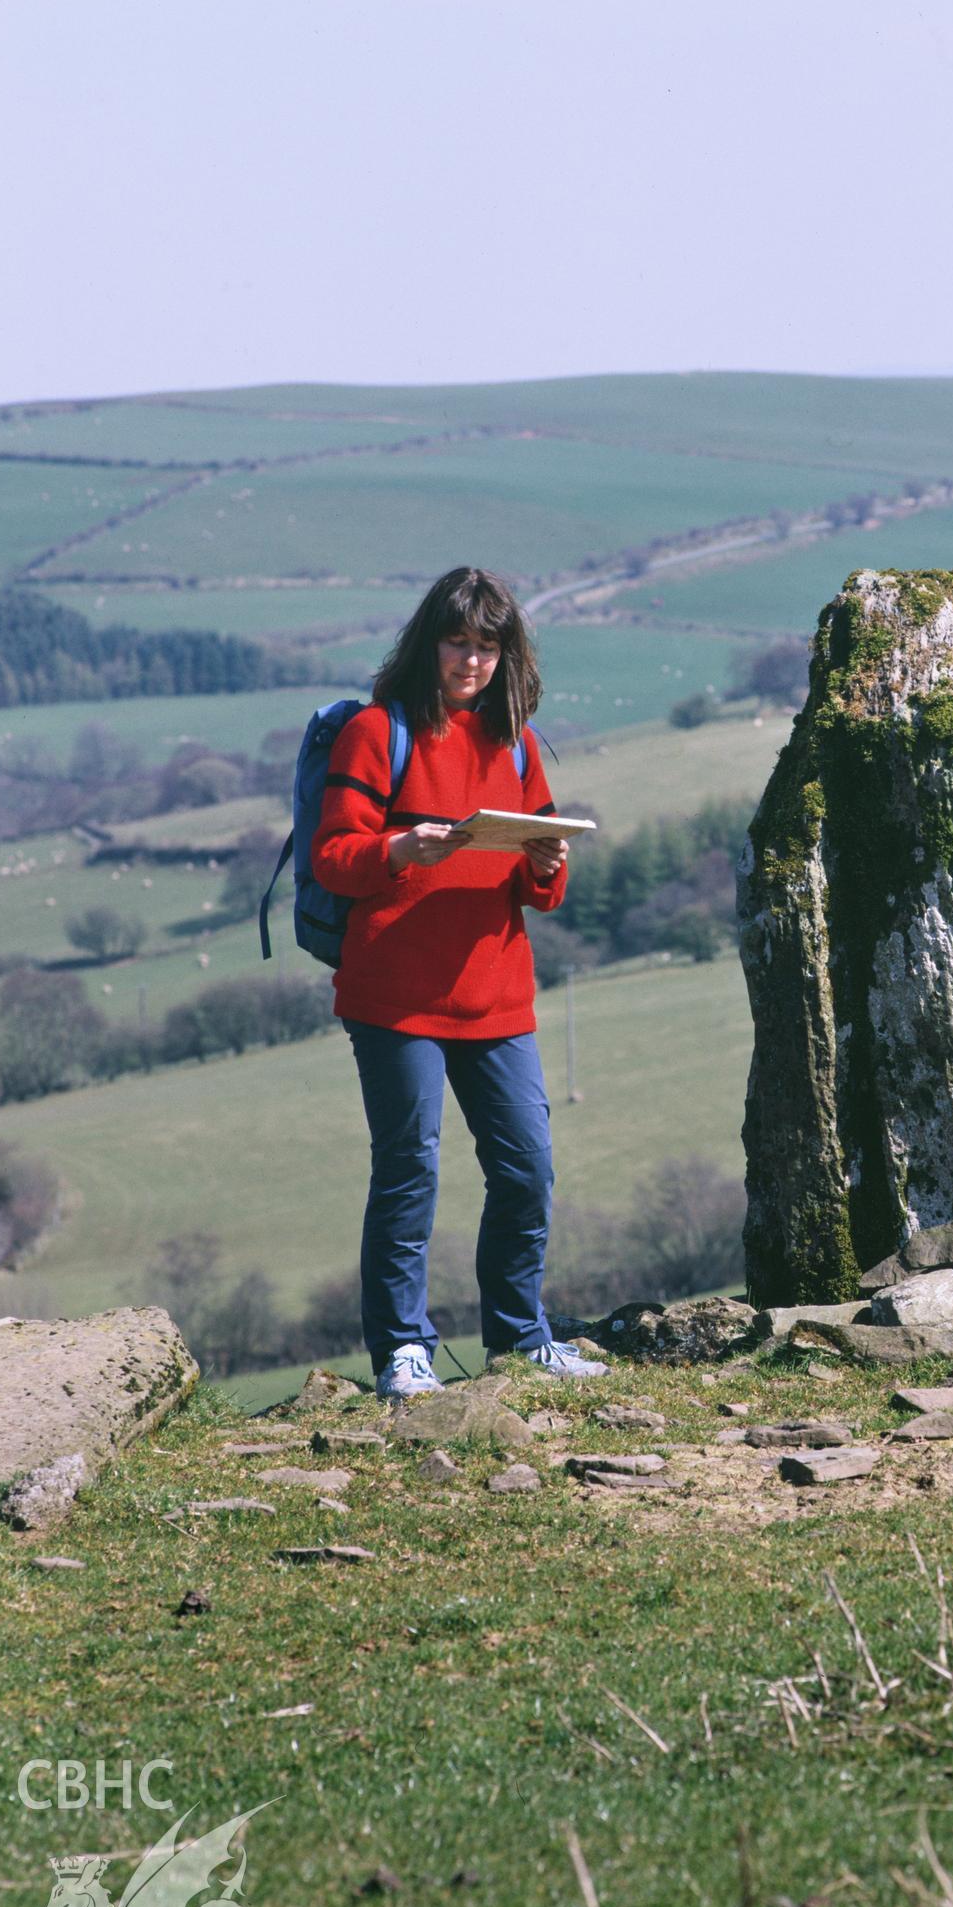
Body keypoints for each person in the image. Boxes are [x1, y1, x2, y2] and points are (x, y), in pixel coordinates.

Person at [311, 565, 605, 1398]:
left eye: (487, 646)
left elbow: (539, 889)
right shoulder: (378, 732)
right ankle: (404, 1351)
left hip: (496, 996)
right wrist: (398, 850)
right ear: (428, 643)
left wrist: (547, 862)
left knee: (527, 1170)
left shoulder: (512, 739)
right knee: (409, 1168)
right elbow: (334, 858)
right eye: (457, 643)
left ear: (507, 653)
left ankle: (520, 1339)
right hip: (395, 998)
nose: (470, 662)